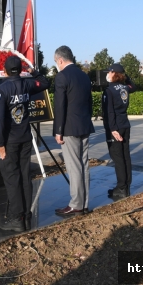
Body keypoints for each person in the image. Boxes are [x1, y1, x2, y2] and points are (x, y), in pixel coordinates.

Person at [0, 56, 50, 232]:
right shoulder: (27, 84)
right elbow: (44, 82)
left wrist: (0, 144)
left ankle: (16, 219)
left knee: (12, 179)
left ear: (4, 71)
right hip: (25, 138)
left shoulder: (1, 90)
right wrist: (33, 71)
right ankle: (26, 214)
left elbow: (0, 120)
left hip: (9, 141)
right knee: (25, 177)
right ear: (20, 70)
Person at [52, 46, 95, 216]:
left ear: (61, 60)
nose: (57, 65)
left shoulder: (62, 76)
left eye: (56, 62)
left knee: (74, 166)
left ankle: (76, 204)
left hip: (69, 128)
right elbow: (89, 102)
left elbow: (60, 106)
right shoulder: (84, 76)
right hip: (84, 125)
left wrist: (58, 130)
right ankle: (83, 203)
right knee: (83, 164)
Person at [102, 63, 134, 200]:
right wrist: (125, 77)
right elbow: (134, 85)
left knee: (118, 157)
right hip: (125, 124)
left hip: (115, 127)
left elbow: (109, 112)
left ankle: (121, 188)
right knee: (125, 156)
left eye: (109, 72)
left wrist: (113, 129)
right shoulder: (125, 88)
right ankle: (126, 186)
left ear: (114, 74)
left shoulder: (109, 91)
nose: (107, 74)